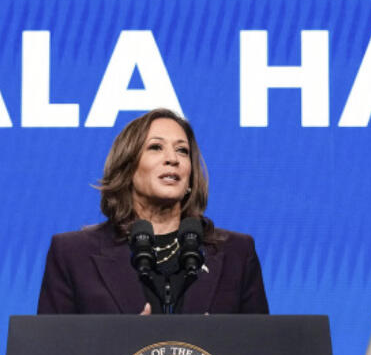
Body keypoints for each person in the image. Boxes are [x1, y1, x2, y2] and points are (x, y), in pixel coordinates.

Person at [37, 108, 268, 314]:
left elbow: (263, 353)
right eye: (156, 147)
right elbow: (49, 354)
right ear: (127, 168)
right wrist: (124, 344)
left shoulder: (237, 253)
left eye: (182, 151)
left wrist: (217, 344)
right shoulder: (73, 255)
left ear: (190, 176)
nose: (172, 159)